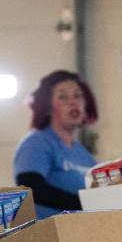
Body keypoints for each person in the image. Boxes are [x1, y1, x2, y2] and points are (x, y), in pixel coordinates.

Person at [13, 70, 98, 218]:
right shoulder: (37, 143)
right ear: (47, 107)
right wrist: (83, 204)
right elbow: (29, 187)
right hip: (47, 235)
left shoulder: (83, 154)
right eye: (63, 97)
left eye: (78, 96)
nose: (73, 102)